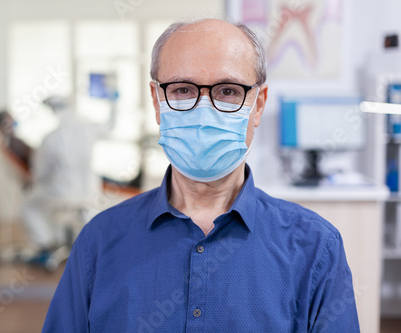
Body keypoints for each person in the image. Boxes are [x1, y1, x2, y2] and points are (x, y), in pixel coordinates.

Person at [42, 18, 360, 332]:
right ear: (156, 100)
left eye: (228, 91)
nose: (204, 112)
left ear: (258, 104)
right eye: (182, 89)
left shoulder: (315, 248)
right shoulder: (98, 242)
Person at [21, 96, 114, 254]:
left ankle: (47, 245)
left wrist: (32, 182)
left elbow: (41, 172)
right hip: (89, 192)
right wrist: (113, 101)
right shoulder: (88, 129)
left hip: (60, 193)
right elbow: (110, 125)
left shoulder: (50, 138)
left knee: (28, 207)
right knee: (86, 212)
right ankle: (95, 249)